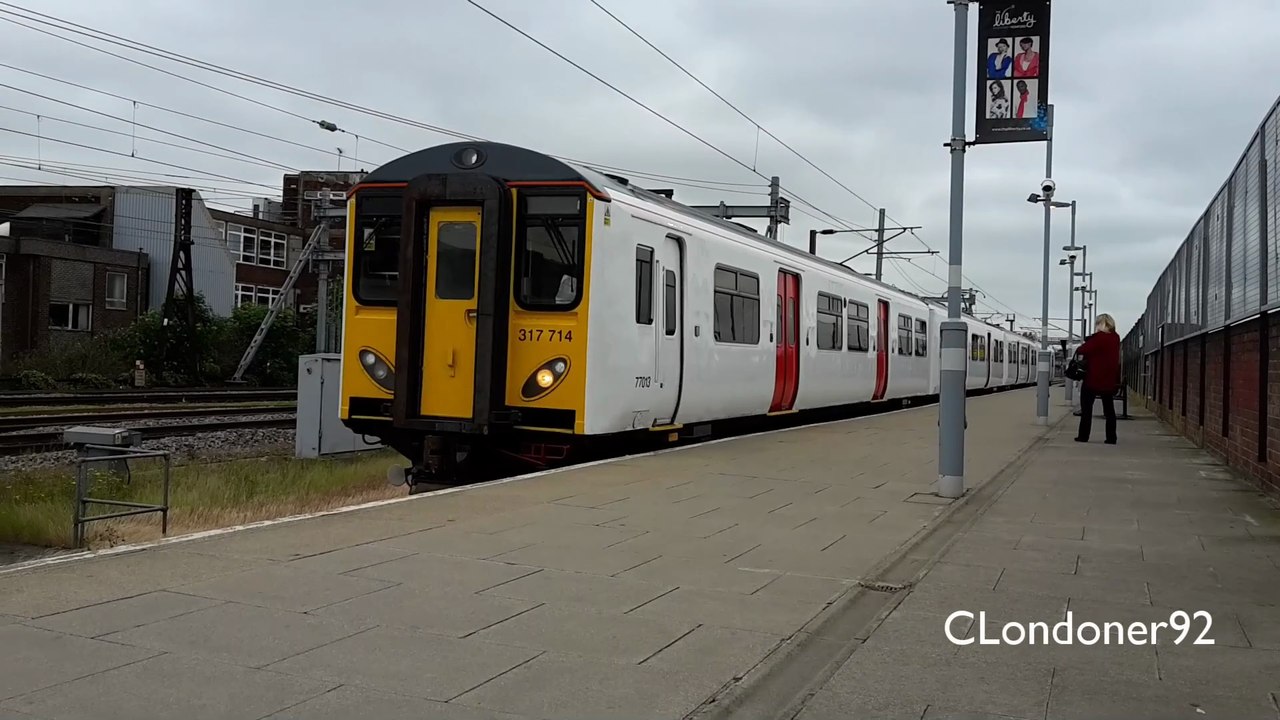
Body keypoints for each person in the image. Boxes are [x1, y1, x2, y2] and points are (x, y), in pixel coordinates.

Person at [1074, 313, 1120, 444]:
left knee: (1087, 409)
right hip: (1108, 379)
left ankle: (1083, 436)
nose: (1097, 326)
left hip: (1093, 379)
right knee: (1109, 410)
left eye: (1098, 323)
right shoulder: (1116, 338)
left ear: (1103, 324)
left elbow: (1082, 350)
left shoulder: (1099, 338)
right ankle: (1111, 438)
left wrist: (1092, 338)